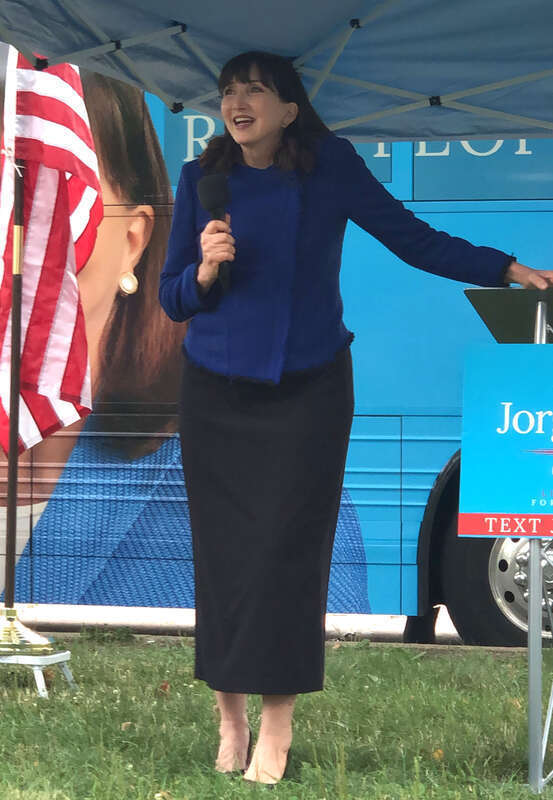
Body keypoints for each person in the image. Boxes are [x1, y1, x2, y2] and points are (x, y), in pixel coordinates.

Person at [158, 50, 553, 786]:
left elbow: (413, 238)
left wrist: (504, 268)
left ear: (288, 108)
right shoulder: (200, 179)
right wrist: (204, 269)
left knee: (285, 555)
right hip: (215, 391)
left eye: (255, 91)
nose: (237, 104)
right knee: (225, 557)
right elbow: (171, 297)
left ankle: (276, 727)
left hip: (308, 388)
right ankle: (229, 718)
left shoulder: (328, 166)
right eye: (228, 93)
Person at [0, 58, 369, 616]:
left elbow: (324, 623)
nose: (12, 237)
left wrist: (503, 268)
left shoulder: (250, 465)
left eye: (47, 191)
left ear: (134, 238)